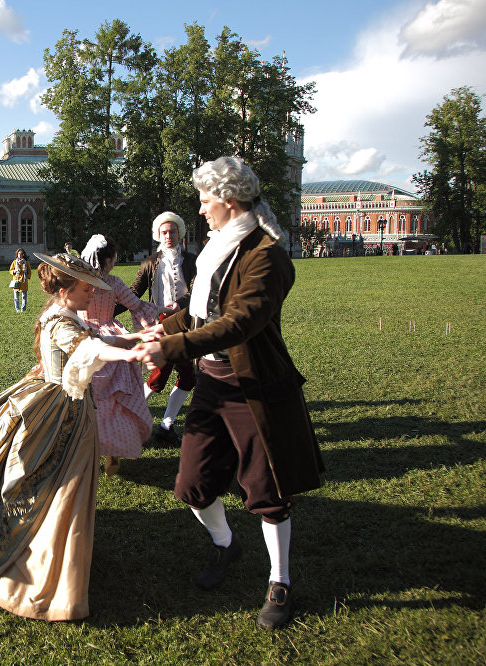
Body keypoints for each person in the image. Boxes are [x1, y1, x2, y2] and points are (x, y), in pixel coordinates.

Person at [139, 157, 324, 629]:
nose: (200, 210)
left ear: (227, 200)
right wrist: (157, 333)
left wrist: (173, 348)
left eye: (204, 201)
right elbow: (198, 314)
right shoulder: (217, 246)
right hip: (211, 387)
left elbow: (241, 322)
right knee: (192, 485)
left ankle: (279, 581)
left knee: (267, 491)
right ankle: (226, 545)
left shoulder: (266, 254)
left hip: (254, 387)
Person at [0, 252, 150, 621]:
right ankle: (36, 573)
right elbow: (89, 347)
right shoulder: (63, 321)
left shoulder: (59, 313)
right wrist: (133, 351)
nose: (93, 295)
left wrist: (137, 338)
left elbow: (92, 339)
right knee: (59, 489)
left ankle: (48, 557)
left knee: (53, 488)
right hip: (63, 412)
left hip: (53, 400)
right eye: (86, 288)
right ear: (66, 288)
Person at [117, 212, 199, 447]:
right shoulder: (149, 262)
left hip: (185, 322)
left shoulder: (192, 261)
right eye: (164, 232)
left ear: (180, 233)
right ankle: (129, 420)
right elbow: (133, 292)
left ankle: (166, 425)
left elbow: (197, 290)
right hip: (159, 324)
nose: (169, 236)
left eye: (172, 231)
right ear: (158, 235)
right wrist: (108, 311)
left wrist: (181, 304)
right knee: (158, 376)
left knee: (187, 376)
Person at [77, 234, 157, 475]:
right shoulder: (114, 283)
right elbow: (137, 305)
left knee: (84, 399)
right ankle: (112, 450)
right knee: (114, 400)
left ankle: (85, 449)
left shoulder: (81, 282)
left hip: (83, 335)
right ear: (109, 260)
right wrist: (162, 312)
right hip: (112, 337)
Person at [9, 248, 31, 313]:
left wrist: (27, 276)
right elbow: (10, 270)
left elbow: (29, 271)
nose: (20, 255)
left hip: (24, 281)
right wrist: (15, 271)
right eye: (19, 254)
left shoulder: (26, 262)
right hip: (16, 281)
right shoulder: (14, 262)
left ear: (23, 255)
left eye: (21, 254)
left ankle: (23, 309)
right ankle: (17, 309)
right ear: (17, 254)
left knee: (24, 297)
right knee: (16, 297)